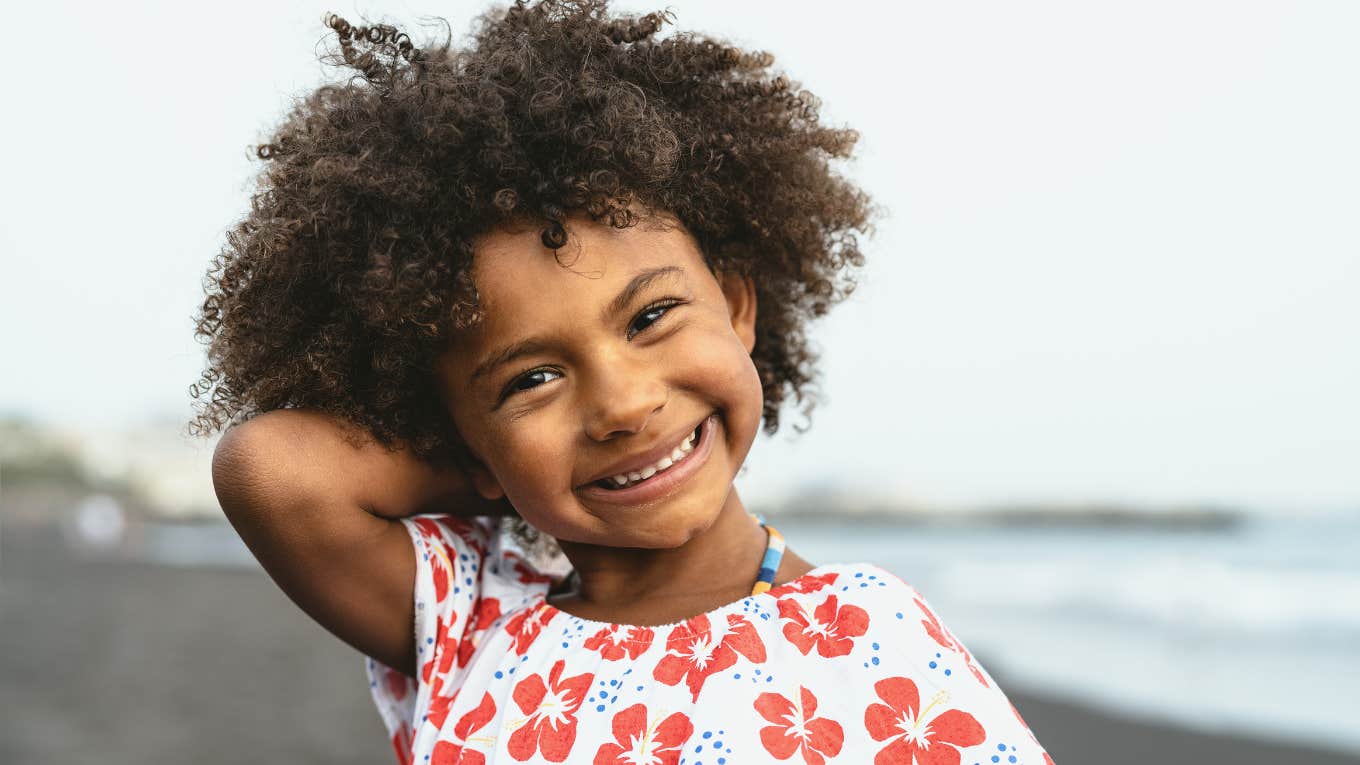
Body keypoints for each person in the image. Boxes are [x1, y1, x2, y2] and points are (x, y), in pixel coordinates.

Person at [196, 1, 1055, 762]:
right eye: (532, 377)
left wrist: (525, 446)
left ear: (737, 304)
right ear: (466, 438)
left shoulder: (868, 641)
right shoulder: (476, 618)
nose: (623, 403)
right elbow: (270, 469)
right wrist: (505, 460)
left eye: (649, 318)